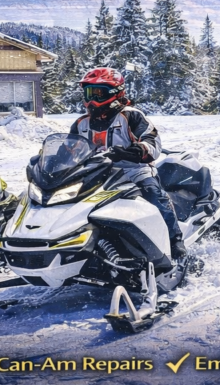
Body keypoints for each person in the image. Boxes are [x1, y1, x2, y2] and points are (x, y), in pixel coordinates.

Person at [69, 67, 187, 260]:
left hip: (133, 171)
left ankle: (175, 241)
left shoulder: (131, 116)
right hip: (96, 175)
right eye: (89, 92)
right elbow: (68, 149)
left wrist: (135, 151)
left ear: (116, 92)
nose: (92, 100)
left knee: (154, 196)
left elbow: (152, 141)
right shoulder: (81, 123)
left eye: (99, 93)